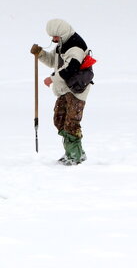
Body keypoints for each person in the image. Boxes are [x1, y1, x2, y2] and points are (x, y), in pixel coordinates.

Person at [31, 18, 94, 165]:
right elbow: (54, 61)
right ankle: (72, 153)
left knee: (71, 122)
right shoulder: (63, 44)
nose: (53, 40)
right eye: (52, 37)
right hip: (66, 88)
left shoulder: (75, 47)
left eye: (55, 37)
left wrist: (52, 79)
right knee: (60, 119)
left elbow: (70, 69)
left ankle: (75, 156)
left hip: (77, 89)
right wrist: (40, 53)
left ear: (62, 32)